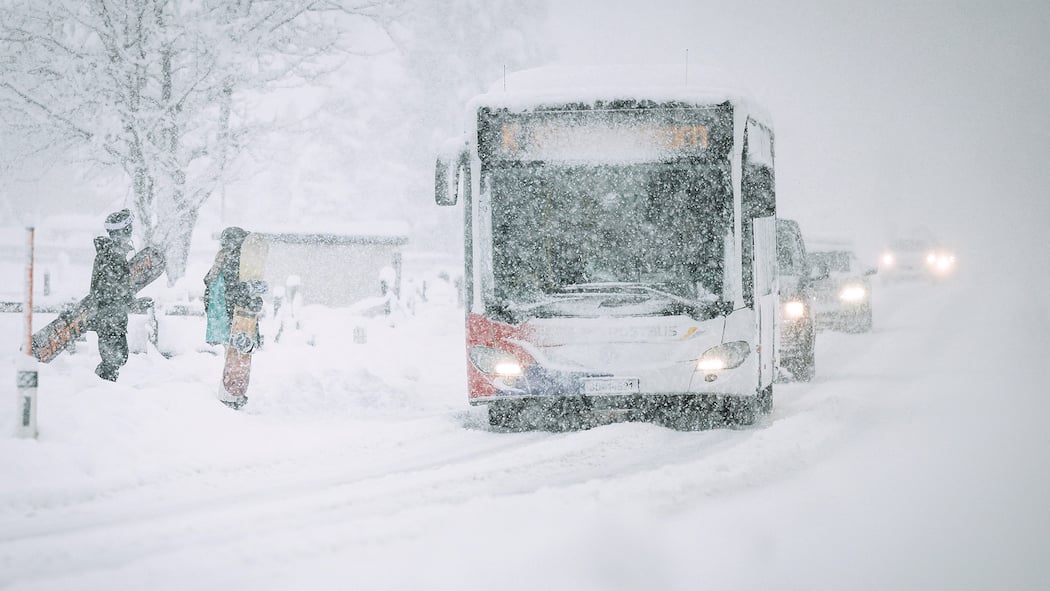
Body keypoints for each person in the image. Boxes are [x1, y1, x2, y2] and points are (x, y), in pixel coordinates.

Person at [90, 208, 148, 381]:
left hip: (110, 317)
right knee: (114, 359)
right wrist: (131, 302)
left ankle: (103, 388)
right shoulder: (112, 257)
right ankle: (102, 390)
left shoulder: (110, 255)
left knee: (117, 358)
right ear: (125, 230)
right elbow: (114, 291)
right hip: (110, 317)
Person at [203, 226, 248, 348]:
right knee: (233, 350)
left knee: (230, 349)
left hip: (223, 314)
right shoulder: (234, 258)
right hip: (229, 313)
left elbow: (209, 282)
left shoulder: (223, 257)